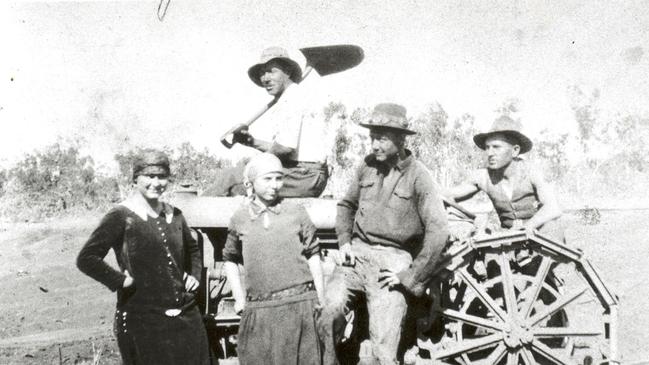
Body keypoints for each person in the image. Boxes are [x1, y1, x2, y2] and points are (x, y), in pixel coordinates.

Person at [316, 103, 449, 365]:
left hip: (393, 262)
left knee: (383, 346)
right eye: (372, 138)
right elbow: (346, 206)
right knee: (328, 315)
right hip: (355, 256)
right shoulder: (366, 167)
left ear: (401, 140)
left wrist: (410, 276)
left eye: (382, 138)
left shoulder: (419, 176)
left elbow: (438, 232)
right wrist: (344, 242)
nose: (374, 145)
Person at [76, 149, 210, 365]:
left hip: (185, 316)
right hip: (143, 318)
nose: (156, 183)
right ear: (135, 179)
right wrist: (121, 281)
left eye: (162, 176)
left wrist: (194, 274)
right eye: (149, 176)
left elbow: (193, 250)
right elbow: (87, 258)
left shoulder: (175, 214)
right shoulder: (121, 215)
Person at [222, 153, 324, 365]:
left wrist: (320, 297)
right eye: (267, 179)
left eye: (279, 178)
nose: (275, 185)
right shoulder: (240, 217)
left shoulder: (296, 212)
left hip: (299, 307)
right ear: (250, 183)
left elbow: (313, 254)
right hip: (260, 312)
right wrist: (239, 298)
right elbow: (230, 259)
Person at [220, 46, 330, 198]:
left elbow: (285, 149)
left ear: (288, 72)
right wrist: (251, 141)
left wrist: (255, 165)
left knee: (234, 182)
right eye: (262, 73)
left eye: (272, 71)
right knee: (232, 175)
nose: (265, 78)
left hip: (304, 175)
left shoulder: (293, 96)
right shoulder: (288, 97)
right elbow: (282, 147)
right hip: (300, 172)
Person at [444, 115, 564, 241]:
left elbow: (553, 208)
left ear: (515, 151)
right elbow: (450, 194)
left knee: (552, 227)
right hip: (510, 239)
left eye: (496, 147)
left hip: (541, 236)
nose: (489, 153)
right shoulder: (483, 177)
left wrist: (528, 227)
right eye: (487, 147)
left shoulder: (532, 172)